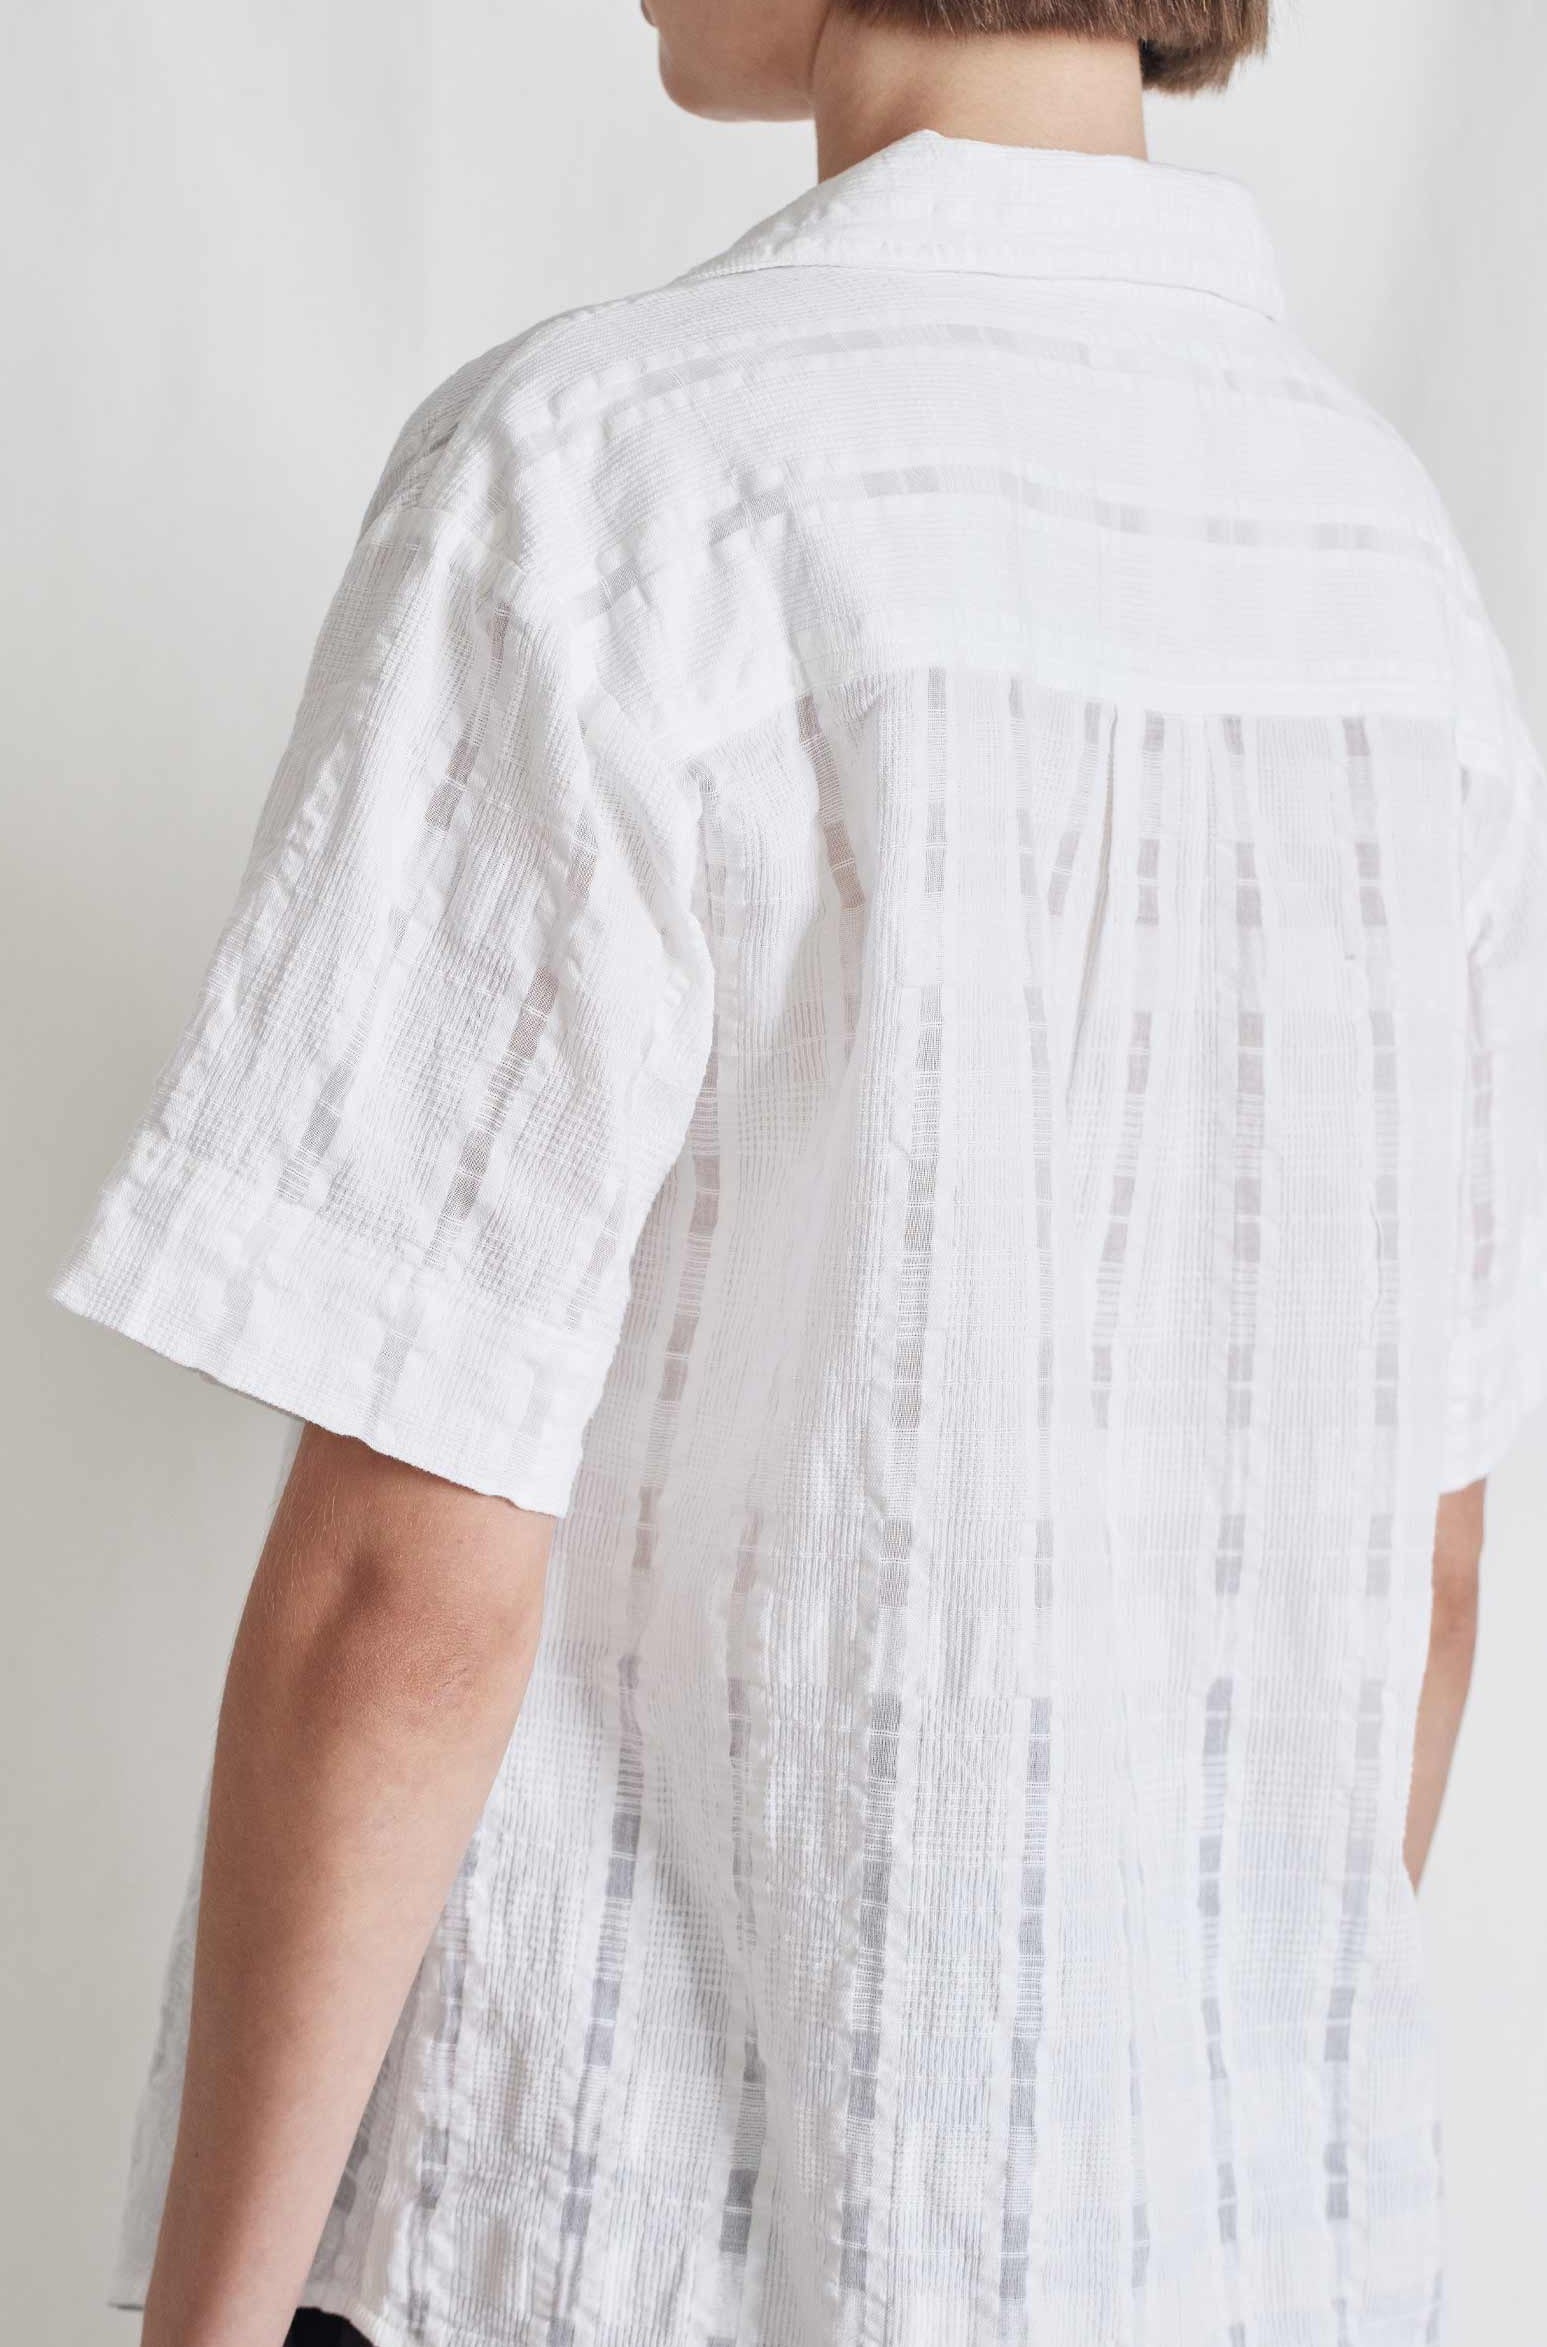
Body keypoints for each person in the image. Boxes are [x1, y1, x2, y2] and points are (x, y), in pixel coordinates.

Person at [49, 1, 1546, 2342]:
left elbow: (401, 1586)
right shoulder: (1394, 580)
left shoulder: (610, 487)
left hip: (614, 2260)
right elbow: (1422, 1572)